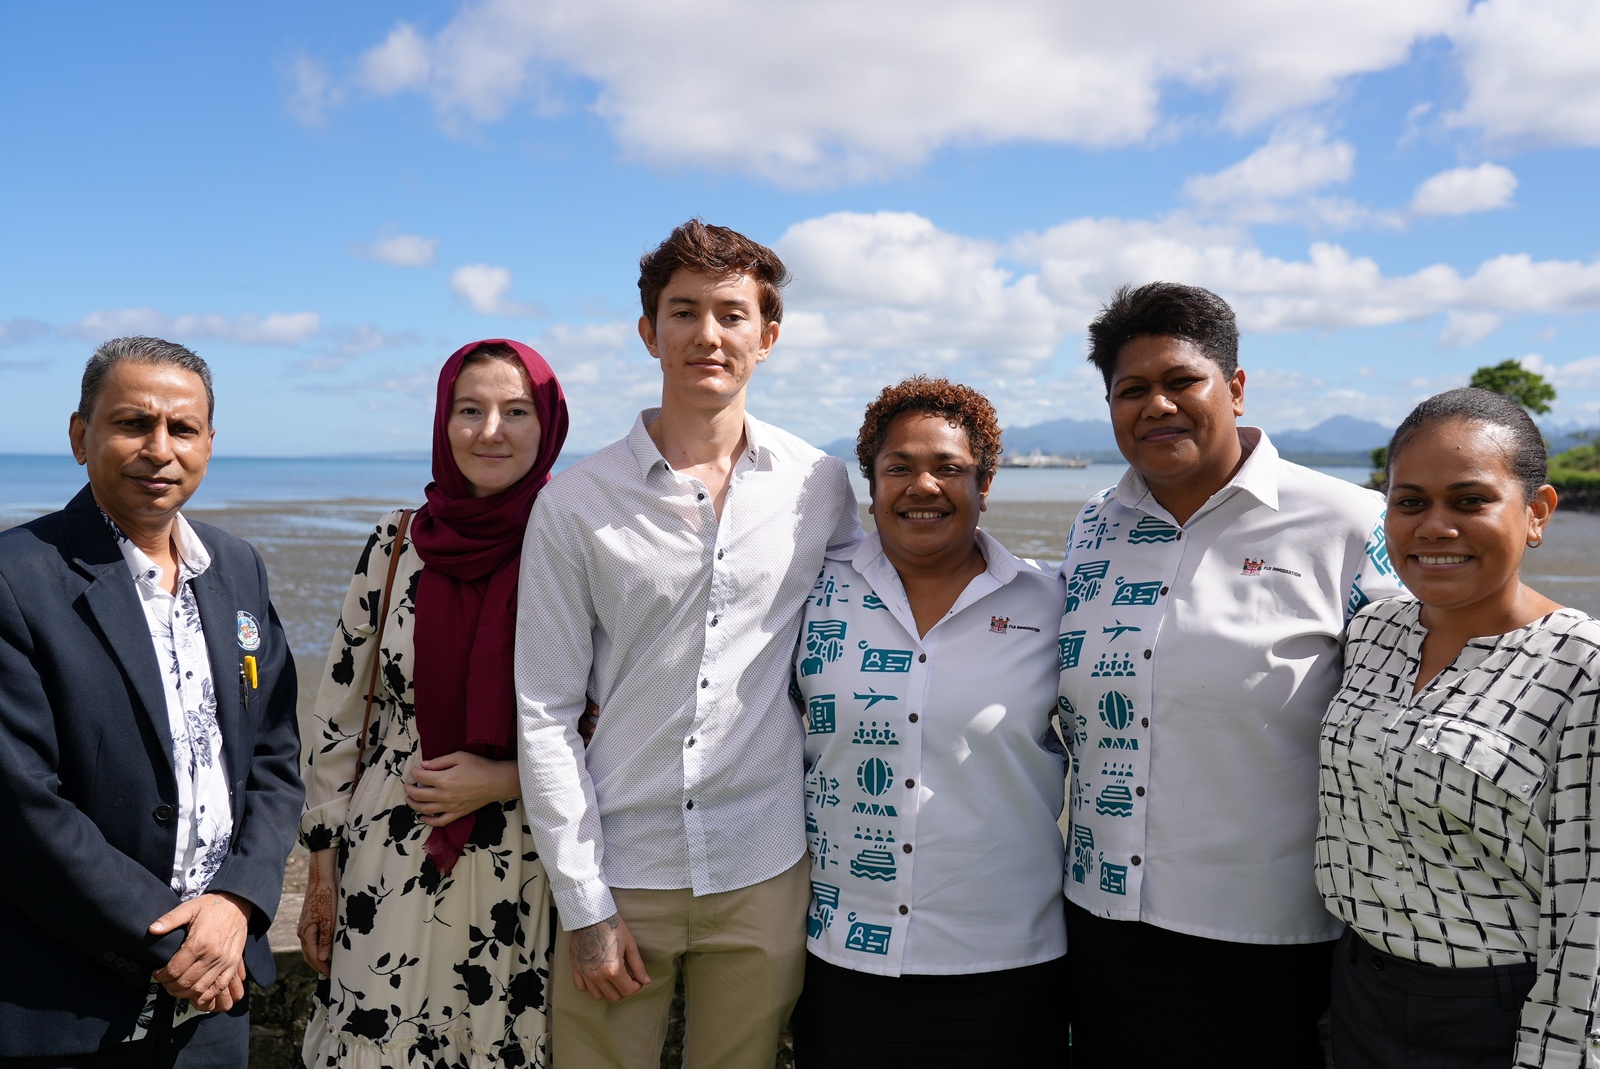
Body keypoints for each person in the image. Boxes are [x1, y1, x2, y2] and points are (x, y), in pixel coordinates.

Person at [514, 220, 862, 1068]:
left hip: (765, 862)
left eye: (733, 314)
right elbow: (545, 711)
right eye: (684, 311)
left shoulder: (820, 484)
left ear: (767, 336)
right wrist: (585, 903)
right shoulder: (576, 503)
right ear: (649, 333)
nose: (709, 333)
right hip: (623, 866)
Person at [1057, 283, 1404, 1067]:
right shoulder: (1093, 524)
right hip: (1100, 918)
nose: (1157, 405)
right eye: (1131, 389)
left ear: (1236, 386)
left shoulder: (1350, 521)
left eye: (1182, 381)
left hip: (1269, 938)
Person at [0, 336, 302, 1064]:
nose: (159, 448)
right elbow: (20, 803)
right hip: (67, 1004)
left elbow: (274, 754)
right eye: (133, 423)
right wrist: (168, 937)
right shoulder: (17, 579)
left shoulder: (235, 567)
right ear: (80, 436)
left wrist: (238, 903)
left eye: (182, 428)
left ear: (209, 442)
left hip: (215, 1001)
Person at [296, 339, 569, 1068]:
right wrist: (321, 867)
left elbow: (615, 709)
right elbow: (339, 711)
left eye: (516, 411)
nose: (491, 430)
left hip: (525, 852)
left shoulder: (575, 542)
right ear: (442, 423)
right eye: (469, 409)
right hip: (385, 855)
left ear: (547, 426)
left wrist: (510, 775)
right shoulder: (396, 542)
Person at [1317, 388, 1600, 1069]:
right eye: (1409, 501)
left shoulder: (1580, 669)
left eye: (1470, 500)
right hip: (1354, 986)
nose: (1434, 526)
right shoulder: (1372, 630)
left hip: (1491, 1010)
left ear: (1536, 513)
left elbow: (1588, 913)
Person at [789, 377, 1069, 1067]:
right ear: (870, 482)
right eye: (899, 467)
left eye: (949, 467)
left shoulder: (1053, 602)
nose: (924, 485)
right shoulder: (810, 591)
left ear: (986, 481)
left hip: (1009, 959)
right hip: (843, 954)